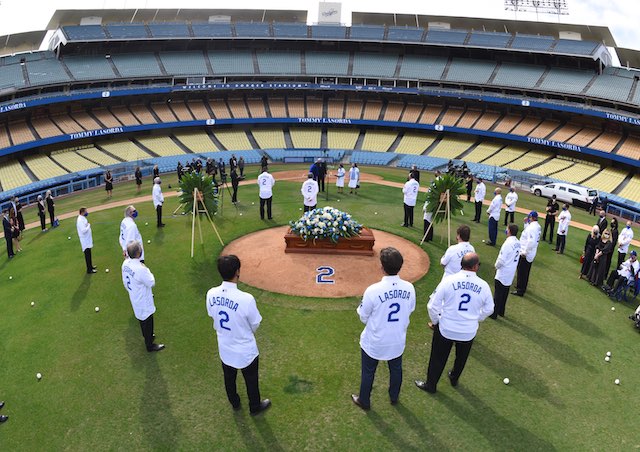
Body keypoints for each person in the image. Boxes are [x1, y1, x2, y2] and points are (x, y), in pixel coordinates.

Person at [415, 253, 493, 393]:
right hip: (468, 332)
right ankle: (454, 377)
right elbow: (489, 309)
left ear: (461, 265)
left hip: (446, 328)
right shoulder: (484, 286)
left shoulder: (449, 280)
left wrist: (436, 321)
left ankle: (431, 385)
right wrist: (476, 318)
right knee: (461, 358)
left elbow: (432, 306)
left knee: (437, 358)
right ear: (475, 267)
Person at [351, 247, 416, 410]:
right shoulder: (409, 288)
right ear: (400, 266)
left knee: (368, 372)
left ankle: (364, 400)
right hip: (397, 339)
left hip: (375, 341)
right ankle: (394, 397)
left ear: (382, 266)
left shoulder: (372, 291)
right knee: (396, 369)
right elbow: (410, 309)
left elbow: (363, 316)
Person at [206, 255, 271, 415]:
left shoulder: (211, 293)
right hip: (245, 349)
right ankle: (255, 407)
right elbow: (255, 323)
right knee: (251, 380)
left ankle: (234, 402)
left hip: (225, 346)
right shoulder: (246, 299)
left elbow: (211, 314)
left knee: (229, 377)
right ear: (237, 272)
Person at [122, 241, 165, 352]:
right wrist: (147, 269)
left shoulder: (125, 264)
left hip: (134, 296)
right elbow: (151, 282)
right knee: (147, 320)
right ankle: (149, 345)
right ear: (138, 253)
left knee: (142, 319)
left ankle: (148, 336)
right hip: (143, 299)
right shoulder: (141, 269)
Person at [491, 224, 520, 319]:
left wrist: (496, 266)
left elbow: (501, 260)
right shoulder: (518, 242)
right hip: (511, 271)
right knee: (505, 292)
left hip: (503, 271)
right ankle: (501, 311)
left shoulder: (507, 243)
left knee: (498, 293)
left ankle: (494, 313)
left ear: (509, 231)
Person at [512, 211, 541, 297]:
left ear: (531, 217)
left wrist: (525, 252)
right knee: (524, 271)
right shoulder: (536, 226)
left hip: (526, 252)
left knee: (522, 271)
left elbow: (531, 241)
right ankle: (520, 285)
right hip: (530, 252)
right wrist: (525, 223)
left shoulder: (533, 228)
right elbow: (527, 232)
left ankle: (520, 290)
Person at [77, 207, 97, 274]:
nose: (87, 212)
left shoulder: (82, 218)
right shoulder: (80, 220)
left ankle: (91, 266)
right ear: (82, 212)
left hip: (87, 239)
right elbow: (83, 230)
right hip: (84, 240)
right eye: (86, 211)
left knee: (89, 254)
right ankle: (89, 270)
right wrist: (88, 225)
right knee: (87, 254)